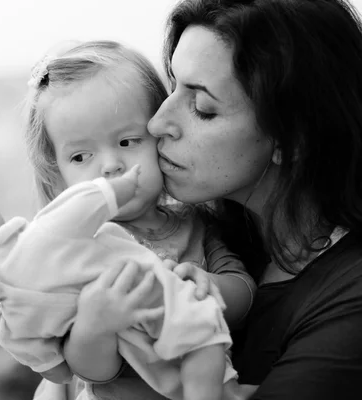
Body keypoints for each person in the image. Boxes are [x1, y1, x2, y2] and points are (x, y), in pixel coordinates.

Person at [74, 0, 362, 399]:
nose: (157, 123)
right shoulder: (206, 236)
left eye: (202, 107)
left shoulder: (349, 298)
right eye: (172, 86)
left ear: (293, 139)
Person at [18, 41, 254, 400]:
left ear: (159, 135)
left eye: (128, 141)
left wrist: (212, 288)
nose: (111, 165)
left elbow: (245, 291)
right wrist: (97, 323)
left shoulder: (194, 223)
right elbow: (90, 371)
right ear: (57, 175)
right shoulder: (75, 255)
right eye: (81, 156)